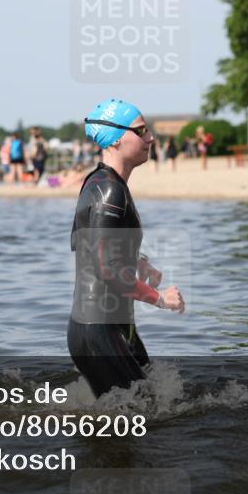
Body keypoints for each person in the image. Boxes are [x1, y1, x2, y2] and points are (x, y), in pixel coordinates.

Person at [69, 98, 185, 397]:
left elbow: (96, 248)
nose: (150, 137)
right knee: (140, 419)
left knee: (153, 407)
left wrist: (140, 263)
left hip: (112, 327)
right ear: (117, 139)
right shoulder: (108, 189)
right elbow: (105, 268)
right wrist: (160, 299)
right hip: (98, 331)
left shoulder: (107, 184)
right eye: (141, 130)